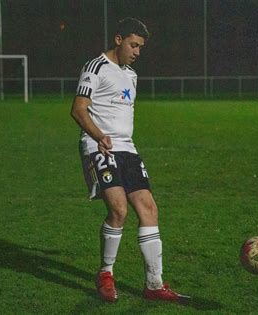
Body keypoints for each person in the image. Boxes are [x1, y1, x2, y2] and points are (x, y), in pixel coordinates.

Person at [70, 17, 187, 303]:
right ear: (118, 39)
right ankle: (105, 273)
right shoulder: (95, 67)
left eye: (141, 47)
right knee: (119, 210)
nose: (137, 52)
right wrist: (99, 136)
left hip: (128, 149)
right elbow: (78, 109)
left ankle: (154, 284)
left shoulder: (131, 75)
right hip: (100, 148)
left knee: (149, 208)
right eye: (133, 45)